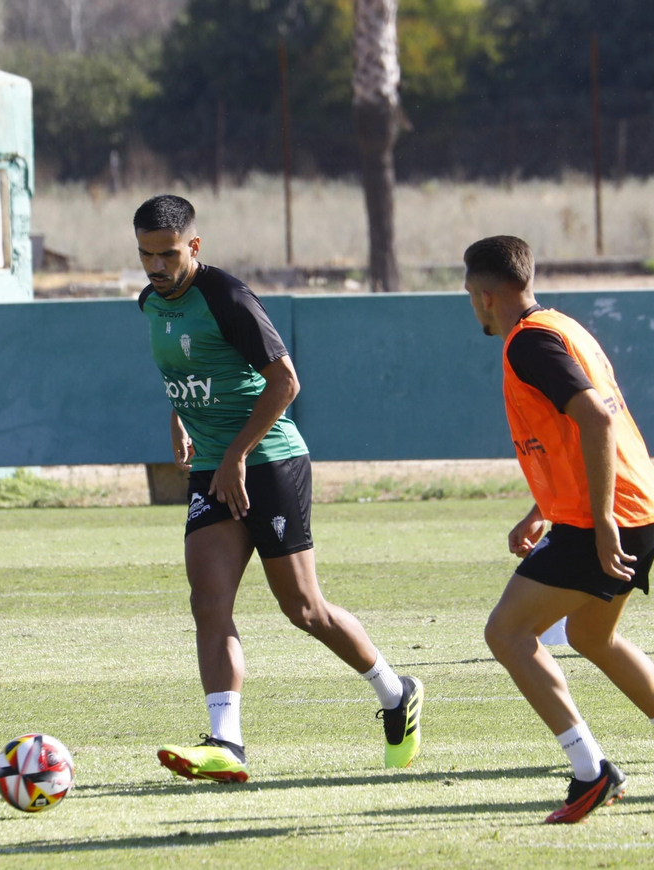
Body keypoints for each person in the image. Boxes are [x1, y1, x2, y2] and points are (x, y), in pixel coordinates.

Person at [133, 195, 421, 782]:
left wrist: (237, 454)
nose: (156, 268)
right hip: (214, 468)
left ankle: (397, 694)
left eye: (167, 255)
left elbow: (286, 382)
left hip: (268, 460)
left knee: (304, 609)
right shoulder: (149, 302)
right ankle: (226, 743)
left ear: (194, 246)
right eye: (145, 255)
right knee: (208, 602)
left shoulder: (228, 297)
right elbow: (182, 371)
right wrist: (180, 418)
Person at [466, 235, 654, 824]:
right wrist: (544, 507)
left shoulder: (529, 343)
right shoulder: (560, 326)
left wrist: (601, 520)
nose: (471, 307)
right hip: (639, 507)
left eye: (469, 296)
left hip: (609, 517)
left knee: (506, 633)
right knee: (590, 634)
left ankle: (590, 772)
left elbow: (595, 419)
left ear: (485, 295)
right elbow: (573, 432)